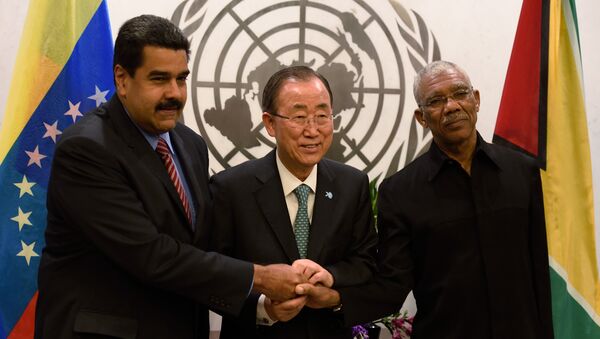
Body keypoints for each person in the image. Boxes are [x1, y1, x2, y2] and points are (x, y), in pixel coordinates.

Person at [34, 15, 305, 339]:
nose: (174, 93)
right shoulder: (87, 149)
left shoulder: (189, 144)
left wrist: (262, 305)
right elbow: (151, 255)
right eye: (159, 79)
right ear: (122, 79)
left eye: (181, 79)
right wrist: (259, 277)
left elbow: (199, 250)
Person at [298, 60, 554, 338]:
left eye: (460, 93)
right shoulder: (400, 192)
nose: (452, 106)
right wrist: (335, 298)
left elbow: (540, 271)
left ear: (476, 100)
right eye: (436, 101)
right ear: (421, 117)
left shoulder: (522, 173)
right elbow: (392, 284)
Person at [209, 65, 377, 338]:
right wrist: (265, 308)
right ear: (269, 123)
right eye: (299, 117)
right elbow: (213, 275)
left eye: (322, 115)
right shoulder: (231, 189)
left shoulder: (352, 184)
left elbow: (366, 261)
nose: (312, 130)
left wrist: (331, 279)